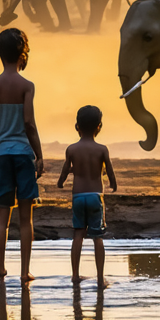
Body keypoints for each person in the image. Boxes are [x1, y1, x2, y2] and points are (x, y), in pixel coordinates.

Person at [0, 28, 44, 282]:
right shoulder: (26, 86)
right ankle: (24, 272)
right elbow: (29, 123)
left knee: (2, 218)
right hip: (22, 154)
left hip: (2, 154)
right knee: (25, 219)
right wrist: (39, 154)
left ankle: (0, 269)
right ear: (23, 55)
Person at [58, 105, 117, 285]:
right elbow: (109, 170)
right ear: (99, 126)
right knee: (97, 237)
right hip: (95, 196)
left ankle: (75, 275)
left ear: (77, 126)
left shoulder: (72, 149)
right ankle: (100, 278)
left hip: (78, 196)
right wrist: (113, 183)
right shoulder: (102, 149)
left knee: (78, 235)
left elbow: (66, 169)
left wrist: (60, 182)